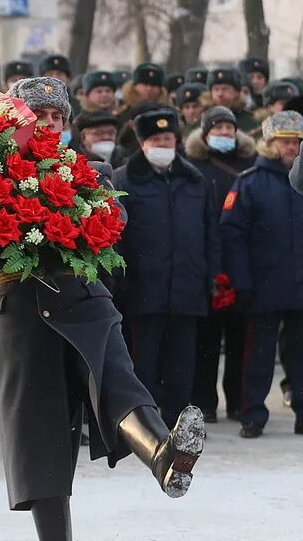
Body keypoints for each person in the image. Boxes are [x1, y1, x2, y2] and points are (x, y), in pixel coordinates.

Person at [0, 77, 205, 541]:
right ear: (14, 119)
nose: (52, 125)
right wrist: (4, 224)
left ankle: (165, 458)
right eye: (39, 115)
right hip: (20, 310)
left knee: (117, 382)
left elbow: (115, 219)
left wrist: (65, 218)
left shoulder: (92, 171)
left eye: (59, 117)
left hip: (85, 298)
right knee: (40, 440)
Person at [113, 108, 219, 428]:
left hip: (187, 288)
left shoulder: (194, 179)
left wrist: (210, 276)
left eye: (168, 138)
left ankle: (176, 424)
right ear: (143, 143)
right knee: (142, 363)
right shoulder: (123, 178)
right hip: (143, 289)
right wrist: (120, 281)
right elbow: (116, 237)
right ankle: (143, 425)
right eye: (156, 139)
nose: (163, 144)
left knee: (181, 364)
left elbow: (210, 232)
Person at [220, 111, 303, 438]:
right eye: (285, 141)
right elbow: (233, 234)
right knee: (258, 355)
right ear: (270, 143)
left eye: (297, 141)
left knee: (300, 354)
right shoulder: (251, 182)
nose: (292, 148)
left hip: (300, 287)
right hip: (264, 285)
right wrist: (241, 282)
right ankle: (252, 413)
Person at [185, 106, 257, 422]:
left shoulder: (250, 165)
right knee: (207, 341)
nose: (225, 134)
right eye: (218, 129)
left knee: (241, 339)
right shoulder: (192, 166)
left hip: (243, 261)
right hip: (206, 262)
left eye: (229, 128)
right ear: (205, 133)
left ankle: (238, 401)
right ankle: (205, 402)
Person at [207, 68, 259, 134]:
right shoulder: (204, 118)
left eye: (225, 89)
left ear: (237, 92)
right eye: (216, 89)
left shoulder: (250, 120)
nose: (220, 94)